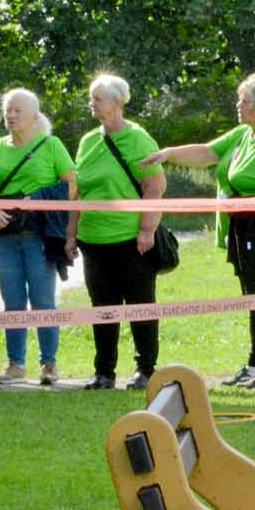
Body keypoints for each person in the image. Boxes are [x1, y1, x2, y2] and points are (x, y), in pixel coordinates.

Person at [143, 74, 255, 388]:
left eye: (245, 101)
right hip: (243, 226)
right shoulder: (244, 134)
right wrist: (168, 154)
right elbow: (207, 153)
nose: (238, 105)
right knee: (253, 296)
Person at [0, 88, 77, 386]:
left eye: (18, 110)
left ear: (34, 116)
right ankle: (15, 364)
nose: (11, 115)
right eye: (8, 110)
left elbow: (72, 186)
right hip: (5, 235)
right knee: (13, 301)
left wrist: (38, 200)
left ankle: (49, 364)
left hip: (40, 235)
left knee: (43, 300)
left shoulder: (51, 145)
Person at [67, 74, 165, 391]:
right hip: (93, 239)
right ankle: (104, 372)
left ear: (117, 102)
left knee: (140, 305)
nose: (91, 103)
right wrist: (71, 234)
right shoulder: (88, 141)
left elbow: (154, 186)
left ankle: (146, 370)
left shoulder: (138, 139)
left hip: (130, 238)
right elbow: (77, 193)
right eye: (91, 97)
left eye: (97, 98)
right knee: (102, 308)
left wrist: (147, 229)